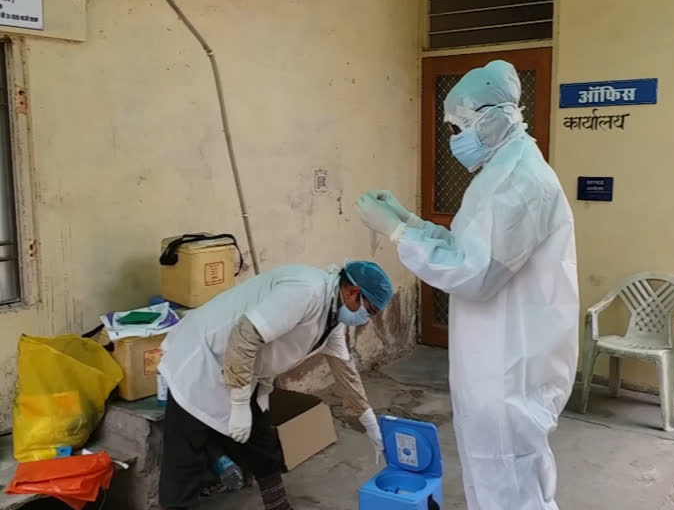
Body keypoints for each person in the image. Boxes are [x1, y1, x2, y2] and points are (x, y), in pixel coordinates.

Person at [356, 60, 579, 510]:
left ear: (492, 116)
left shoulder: (520, 182)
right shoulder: (503, 171)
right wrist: (410, 219)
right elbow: (471, 246)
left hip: (511, 368)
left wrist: (400, 234)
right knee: (495, 477)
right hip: (493, 360)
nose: (454, 137)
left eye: (459, 125)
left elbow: (474, 273)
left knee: (510, 484)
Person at [157, 261, 393, 510]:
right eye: (371, 310)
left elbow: (345, 369)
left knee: (261, 441)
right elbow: (244, 335)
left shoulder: (334, 314)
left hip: (246, 370)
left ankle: (278, 505)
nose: (367, 318)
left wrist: (369, 424)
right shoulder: (306, 291)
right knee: (184, 457)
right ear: (352, 291)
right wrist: (238, 404)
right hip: (204, 360)